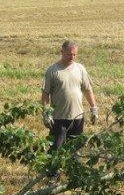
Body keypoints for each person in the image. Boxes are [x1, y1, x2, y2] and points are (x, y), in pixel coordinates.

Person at [41, 40, 98, 183]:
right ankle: (52, 176)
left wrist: (93, 108)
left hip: (77, 117)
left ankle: (74, 175)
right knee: (56, 148)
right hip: (59, 118)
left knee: (75, 149)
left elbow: (87, 89)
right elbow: (45, 94)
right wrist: (46, 113)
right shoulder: (53, 70)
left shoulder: (80, 69)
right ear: (62, 52)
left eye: (74, 54)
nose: (72, 57)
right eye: (69, 54)